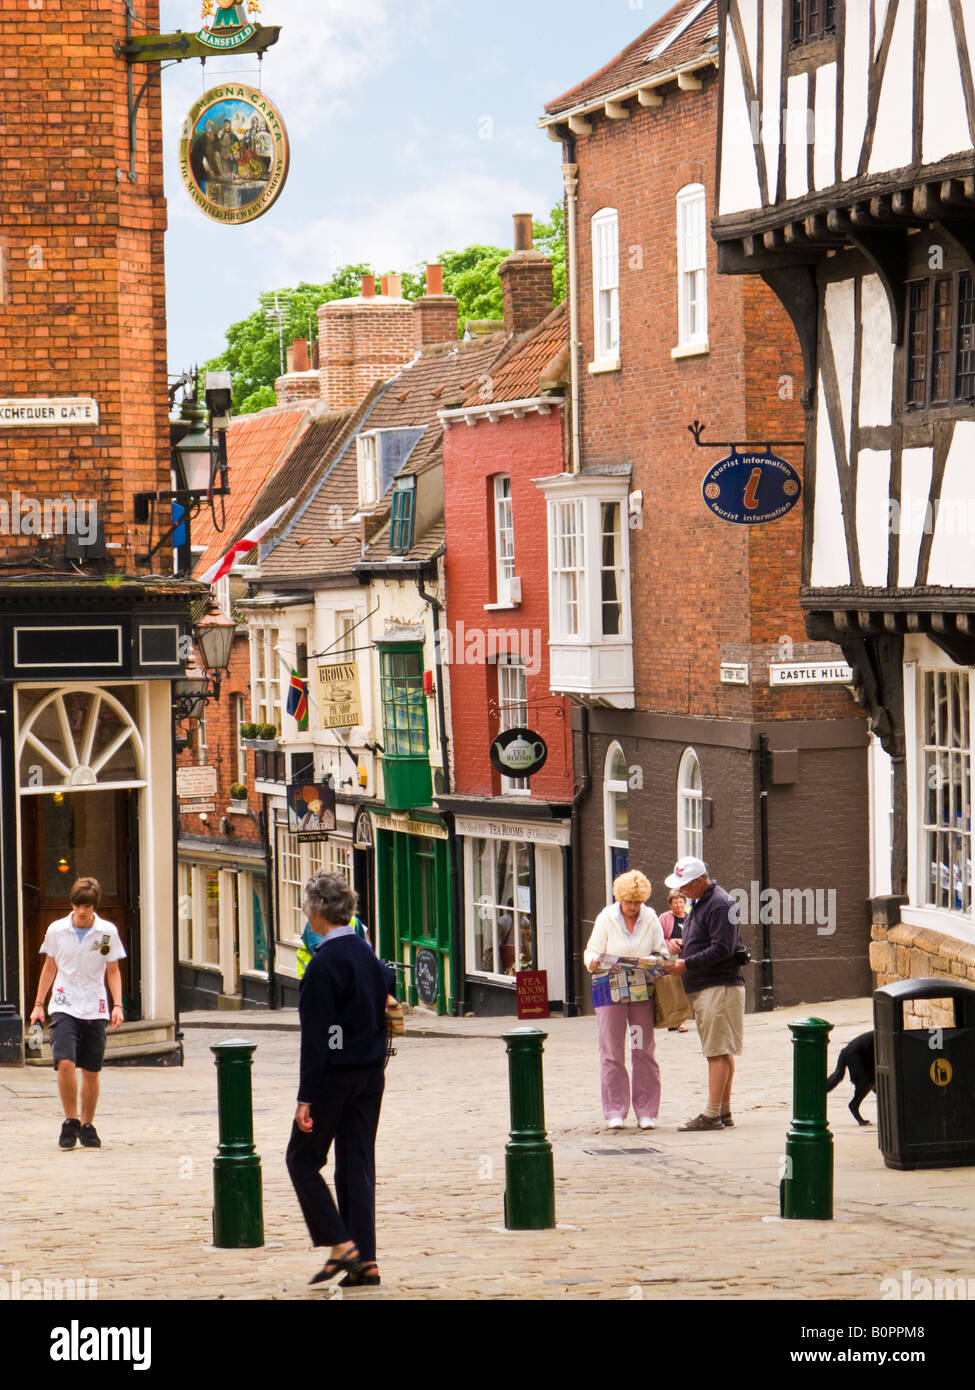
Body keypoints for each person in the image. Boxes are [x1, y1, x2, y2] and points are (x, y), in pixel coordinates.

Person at [286, 873, 396, 1288]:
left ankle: (339, 1243)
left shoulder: (321, 966)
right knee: (357, 1165)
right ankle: (366, 1261)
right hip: (371, 1074)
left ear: (316, 913)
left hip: (334, 1077)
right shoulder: (368, 956)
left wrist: (306, 1097)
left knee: (302, 1160)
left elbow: (317, 1040)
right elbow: (388, 987)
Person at [29, 877, 125, 1149]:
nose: (82, 911)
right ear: (72, 904)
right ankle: (70, 1121)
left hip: (95, 1004)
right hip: (64, 1002)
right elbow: (49, 967)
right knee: (65, 1062)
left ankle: (87, 1124)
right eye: (78, 905)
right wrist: (38, 1004)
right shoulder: (57, 930)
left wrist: (118, 1005)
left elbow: (113, 970)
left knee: (92, 1070)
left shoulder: (106, 932)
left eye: (88, 906)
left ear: (94, 906)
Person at [584, 869, 669, 1131]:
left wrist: (655, 961)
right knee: (612, 1051)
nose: (633, 908)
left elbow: (662, 952)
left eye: (638, 902)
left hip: (641, 990)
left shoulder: (651, 917)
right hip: (609, 990)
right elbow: (592, 950)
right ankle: (615, 1110)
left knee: (642, 1049)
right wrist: (593, 961)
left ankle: (646, 1111)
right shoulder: (606, 918)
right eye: (629, 902)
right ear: (619, 899)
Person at [663, 856, 744, 1131]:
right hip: (709, 984)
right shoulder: (702, 901)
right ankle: (723, 1110)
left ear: (700, 881)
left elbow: (723, 948)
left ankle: (711, 1114)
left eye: (685, 886)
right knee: (721, 1048)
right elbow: (708, 940)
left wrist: (687, 962)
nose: (681, 892)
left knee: (716, 1051)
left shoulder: (720, 904)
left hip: (717, 985)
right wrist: (684, 944)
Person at [659, 889, 689, 1032]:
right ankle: (673, 1020)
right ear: (670, 904)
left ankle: (681, 1021)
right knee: (671, 988)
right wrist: (670, 942)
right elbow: (657, 937)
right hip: (670, 957)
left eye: (681, 902)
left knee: (682, 988)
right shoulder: (664, 917)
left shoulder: (690, 917)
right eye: (675, 903)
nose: (678, 906)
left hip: (685, 956)